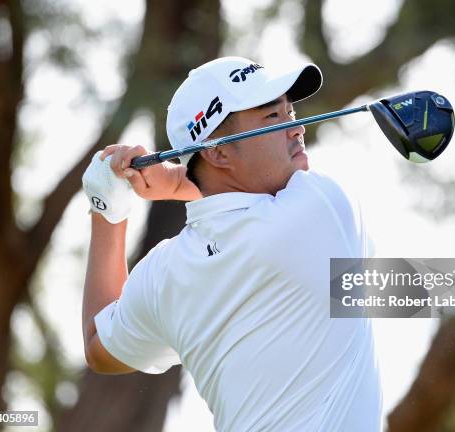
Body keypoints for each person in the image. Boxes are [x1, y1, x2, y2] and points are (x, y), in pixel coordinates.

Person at [81, 57, 382, 431]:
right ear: (218, 151)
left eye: (291, 111)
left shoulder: (164, 275)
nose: (297, 128)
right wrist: (175, 183)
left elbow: (98, 347)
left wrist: (107, 208)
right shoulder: (320, 208)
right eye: (273, 118)